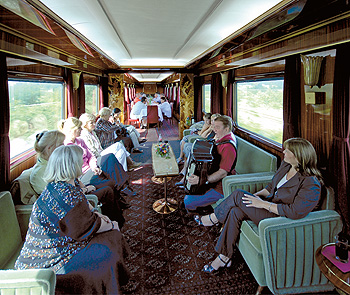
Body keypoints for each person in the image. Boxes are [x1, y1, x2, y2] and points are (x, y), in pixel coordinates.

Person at [195, 138, 323, 273]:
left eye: (288, 150)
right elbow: (270, 187)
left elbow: (294, 212)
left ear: (299, 157)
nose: (283, 151)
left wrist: (262, 204)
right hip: (268, 205)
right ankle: (224, 257)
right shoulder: (287, 165)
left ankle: (212, 219)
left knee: (238, 195)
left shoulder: (311, 183)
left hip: (280, 218)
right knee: (235, 211)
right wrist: (255, 197)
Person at [15, 145, 130, 294]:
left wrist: (102, 219)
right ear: (71, 165)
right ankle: (105, 287)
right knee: (109, 243)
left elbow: (86, 211)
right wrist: (110, 224)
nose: (81, 163)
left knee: (111, 236)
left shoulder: (59, 186)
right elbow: (84, 227)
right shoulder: (66, 194)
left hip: (64, 240)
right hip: (48, 257)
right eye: (78, 160)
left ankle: (110, 282)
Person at [58, 117, 131, 223]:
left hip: (91, 168)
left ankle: (121, 186)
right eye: (78, 128)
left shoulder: (80, 140)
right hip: (82, 174)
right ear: (71, 130)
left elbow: (91, 156)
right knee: (109, 179)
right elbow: (73, 169)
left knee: (110, 157)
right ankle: (120, 192)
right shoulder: (67, 147)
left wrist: (94, 166)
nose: (81, 130)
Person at [181, 115, 237, 212]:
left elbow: (223, 172)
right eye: (214, 126)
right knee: (190, 189)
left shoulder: (228, 147)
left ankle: (204, 211)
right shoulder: (220, 138)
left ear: (227, 129)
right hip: (212, 180)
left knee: (188, 201)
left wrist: (202, 180)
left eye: (217, 127)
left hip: (220, 187)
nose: (214, 129)